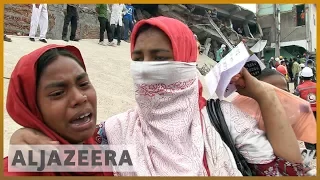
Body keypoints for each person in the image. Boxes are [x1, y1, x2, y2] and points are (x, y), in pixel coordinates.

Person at [8, 16, 302, 176]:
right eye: (139, 58)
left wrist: (265, 95)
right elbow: (50, 160)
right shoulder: (116, 135)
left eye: (160, 57)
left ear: (187, 62)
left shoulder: (222, 122)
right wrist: (24, 142)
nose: (148, 69)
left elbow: (291, 170)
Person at [3, 44, 113, 176]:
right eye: (58, 93)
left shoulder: (110, 141)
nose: (80, 97)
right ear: (32, 110)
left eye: (83, 84)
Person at [294, 67, 316, 151]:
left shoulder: (299, 88)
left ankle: (311, 149)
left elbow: (295, 98)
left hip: (305, 111)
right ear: (312, 76)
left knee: (307, 129)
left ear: (302, 76)